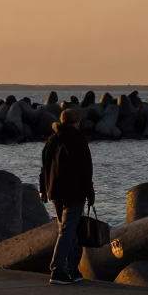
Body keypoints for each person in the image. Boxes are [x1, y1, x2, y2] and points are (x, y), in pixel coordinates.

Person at [39, 107, 95, 285]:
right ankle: (57, 270)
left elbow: (44, 168)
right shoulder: (78, 141)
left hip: (55, 192)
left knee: (68, 230)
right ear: (76, 121)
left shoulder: (51, 140)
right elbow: (86, 171)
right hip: (74, 192)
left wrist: (43, 190)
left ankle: (72, 270)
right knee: (68, 231)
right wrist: (90, 194)